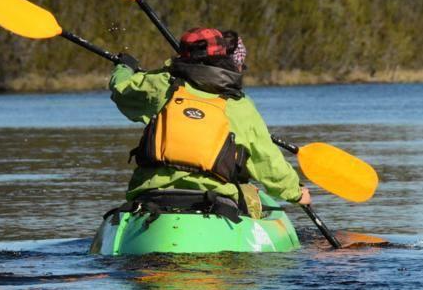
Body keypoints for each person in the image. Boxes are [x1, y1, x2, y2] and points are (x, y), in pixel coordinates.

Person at [109, 28, 311, 218]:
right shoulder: (239, 105)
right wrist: (295, 193)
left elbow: (121, 90)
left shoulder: (161, 85)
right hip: (215, 200)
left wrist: (125, 67)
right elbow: (267, 161)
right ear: (225, 58)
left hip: (151, 196)